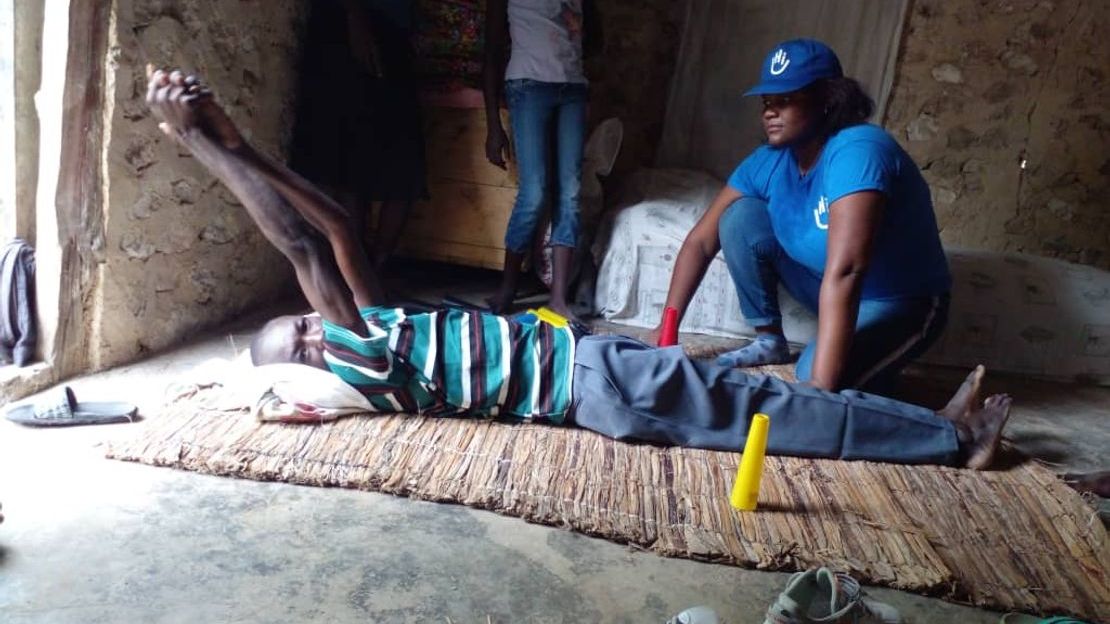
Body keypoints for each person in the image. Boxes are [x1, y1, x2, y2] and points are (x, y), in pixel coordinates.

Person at [145, 67, 1010, 469]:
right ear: (310, 380)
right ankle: (947, 441)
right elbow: (305, 243)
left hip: (595, 359)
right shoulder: (363, 366)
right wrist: (202, 143)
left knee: (773, 400)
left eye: (298, 318)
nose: (310, 322)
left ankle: (934, 425)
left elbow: (328, 229)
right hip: (592, 388)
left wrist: (235, 140)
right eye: (301, 336)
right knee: (775, 415)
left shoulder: (384, 329)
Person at [654, 39, 951, 395]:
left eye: (785, 101)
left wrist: (818, 391)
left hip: (900, 300)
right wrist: (666, 332)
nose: (769, 112)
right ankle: (769, 340)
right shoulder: (769, 159)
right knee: (739, 215)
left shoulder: (859, 150)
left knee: (819, 377)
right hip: (823, 283)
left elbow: (847, 269)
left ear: (828, 100)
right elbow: (701, 242)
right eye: (766, 103)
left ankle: (933, 415)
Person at [481, 0, 601, 321]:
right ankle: (508, 287)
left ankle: (558, 298)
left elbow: (595, 40)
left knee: (571, 192)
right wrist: (493, 125)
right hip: (527, 87)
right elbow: (490, 53)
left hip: (573, 89)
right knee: (534, 192)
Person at [289, 0, 426, 268]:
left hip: (386, 37)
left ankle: (367, 268)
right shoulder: (354, 27)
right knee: (351, 166)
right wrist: (356, 17)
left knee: (385, 166)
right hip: (359, 35)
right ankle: (360, 269)